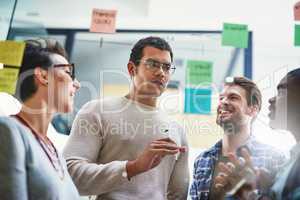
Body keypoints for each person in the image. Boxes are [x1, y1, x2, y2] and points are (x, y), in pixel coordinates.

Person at [63, 36, 189, 200]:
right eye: (152, 64)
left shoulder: (177, 130)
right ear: (132, 69)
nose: (161, 73)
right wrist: (132, 167)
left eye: (167, 67)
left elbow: (178, 193)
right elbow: (70, 175)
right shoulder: (97, 111)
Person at [0, 38, 81, 200]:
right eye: (68, 73)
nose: (77, 84)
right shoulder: (9, 131)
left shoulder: (55, 152)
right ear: (43, 76)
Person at [189, 77, 286, 200]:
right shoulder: (202, 160)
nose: (223, 102)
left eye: (233, 97)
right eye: (221, 98)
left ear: (253, 109)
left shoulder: (273, 158)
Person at [213, 68, 300, 200]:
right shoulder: (292, 159)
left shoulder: (276, 158)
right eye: (221, 98)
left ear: (253, 109)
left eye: (282, 92)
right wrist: (263, 189)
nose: (271, 99)